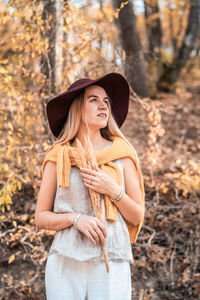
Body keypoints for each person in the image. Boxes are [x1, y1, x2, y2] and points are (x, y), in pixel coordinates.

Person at [35, 72, 145, 300]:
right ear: (77, 108)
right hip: (66, 259)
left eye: (106, 101)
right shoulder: (59, 156)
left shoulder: (123, 154)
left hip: (111, 259)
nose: (103, 106)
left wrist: (113, 190)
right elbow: (41, 217)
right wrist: (75, 219)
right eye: (93, 100)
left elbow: (137, 216)